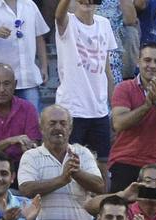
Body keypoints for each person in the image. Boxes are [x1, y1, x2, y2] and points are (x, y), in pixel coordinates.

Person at [17, 105, 105, 220]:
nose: (58, 127)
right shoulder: (31, 156)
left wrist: (77, 173)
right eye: (52, 123)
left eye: (63, 123)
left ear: (70, 128)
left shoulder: (82, 153)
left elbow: (100, 186)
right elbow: (26, 189)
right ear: (41, 128)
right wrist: (62, 180)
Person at [105, 42, 156, 192]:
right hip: (125, 160)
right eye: (147, 60)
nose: (152, 65)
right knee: (122, 211)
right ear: (138, 61)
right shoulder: (124, 87)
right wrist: (147, 106)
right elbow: (119, 123)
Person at [54, 0, 118, 163]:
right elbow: (58, 15)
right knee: (70, 165)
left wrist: (114, 108)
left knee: (102, 165)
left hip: (99, 110)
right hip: (72, 110)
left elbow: (107, 70)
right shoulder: (67, 21)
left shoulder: (104, 24)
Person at [0, 0, 50, 108]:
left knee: (31, 122)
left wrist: (44, 67)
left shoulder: (30, 5)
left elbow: (39, 37)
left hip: (27, 79)